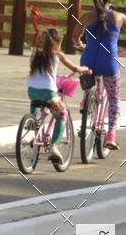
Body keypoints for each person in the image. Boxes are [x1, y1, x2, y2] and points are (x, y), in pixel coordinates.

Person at [72, 0, 126, 150]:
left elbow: (75, 37)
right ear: (110, 0)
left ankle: (86, 101)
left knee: (89, 79)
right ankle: (111, 134)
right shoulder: (120, 17)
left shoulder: (86, 17)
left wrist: (80, 44)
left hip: (88, 61)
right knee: (114, 99)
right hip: (109, 62)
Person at [27, 27, 90, 162]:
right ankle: (53, 147)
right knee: (62, 115)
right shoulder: (57, 55)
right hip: (48, 93)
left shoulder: (35, 53)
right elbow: (74, 68)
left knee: (38, 104)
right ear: (56, 43)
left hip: (31, 91)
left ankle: (33, 123)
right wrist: (84, 69)